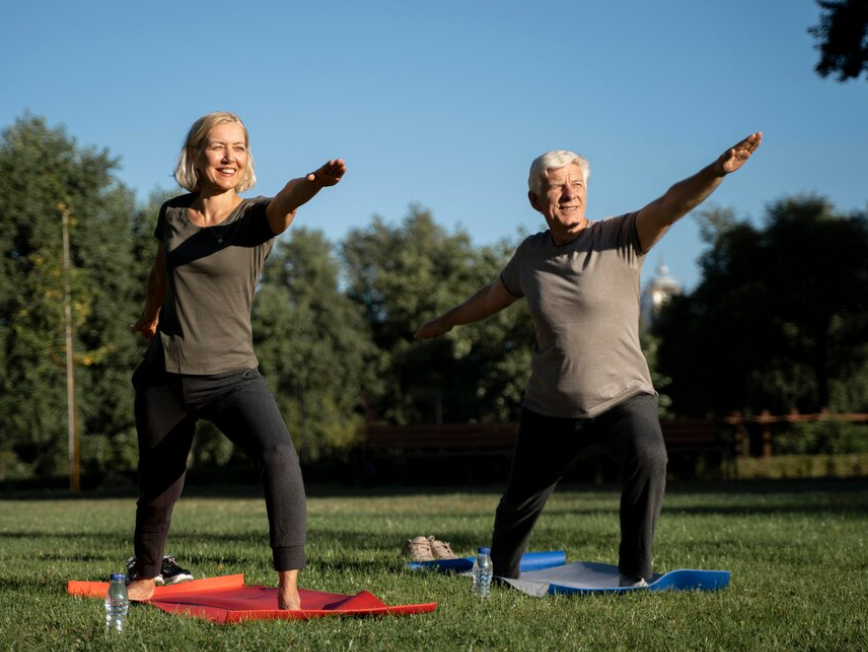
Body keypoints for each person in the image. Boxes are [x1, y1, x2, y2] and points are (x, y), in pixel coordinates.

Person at [415, 133, 762, 585]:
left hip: (623, 396)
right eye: (558, 186)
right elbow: (490, 298)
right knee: (518, 504)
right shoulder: (531, 254)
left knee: (649, 455)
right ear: (535, 199)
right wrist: (448, 320)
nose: (569, 194)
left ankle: (635, 575)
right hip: (550, 408)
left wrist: (715, 171)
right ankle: (501, 572)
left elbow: (672, 203)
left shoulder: (621, 236)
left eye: (577, 184)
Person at [128, 111, 346, 608]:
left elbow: (289, 199)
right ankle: (145, 574)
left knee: (279, 457)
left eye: (239, 148)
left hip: (231, 375)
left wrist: (314, 182)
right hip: (167, 373)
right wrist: (150, 313)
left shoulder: (255, 218)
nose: (229, 157)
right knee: (159, 481)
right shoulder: (173, 213)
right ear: (197, 154)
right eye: (218, 146)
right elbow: (161, 266)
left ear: (248, 159)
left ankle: (288, 587)